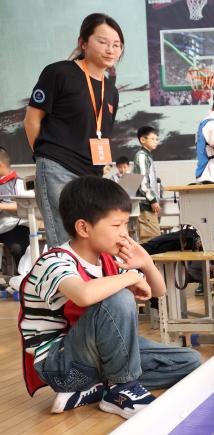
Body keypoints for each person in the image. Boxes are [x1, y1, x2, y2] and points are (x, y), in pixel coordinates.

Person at [18, 177, 200, 418]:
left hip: (95, 358)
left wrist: (145, 262)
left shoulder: (107, 260)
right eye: (117, 225)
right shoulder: (54, 262)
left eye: (126, 224)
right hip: (61, 366)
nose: (125, 233)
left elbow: (158, 292)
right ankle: (121, 389)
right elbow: (83, 295)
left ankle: (97, 388)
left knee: (190, 361)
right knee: (120, 298)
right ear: (84, 228)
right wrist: (131, 278)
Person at [24, 13, 124, 247]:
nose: (110, 50)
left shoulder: (111, 90)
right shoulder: (59, 72)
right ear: (83, 43)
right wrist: (44, 158)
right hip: (57, 168)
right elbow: (31, 120)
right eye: (103, 42)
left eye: (117, 45)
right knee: (66, 241)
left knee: (90, 243)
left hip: (91, 175)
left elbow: (100, 132)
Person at [0, 147, 30, 268]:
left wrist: (2, 206)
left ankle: (23, 273)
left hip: (15, 226)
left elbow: (27, 205)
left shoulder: (19, 183)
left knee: (17, 247)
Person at [133, 126, 161, 243]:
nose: (156, 142)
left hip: (149, 203)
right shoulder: (141, 155)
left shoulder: (147, 155)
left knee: (153, 239)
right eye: (152, 139)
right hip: (146, 203)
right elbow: (142, 181)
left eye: (156, 139)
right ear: (143, 140)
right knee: (151, 240)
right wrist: (152, 200)